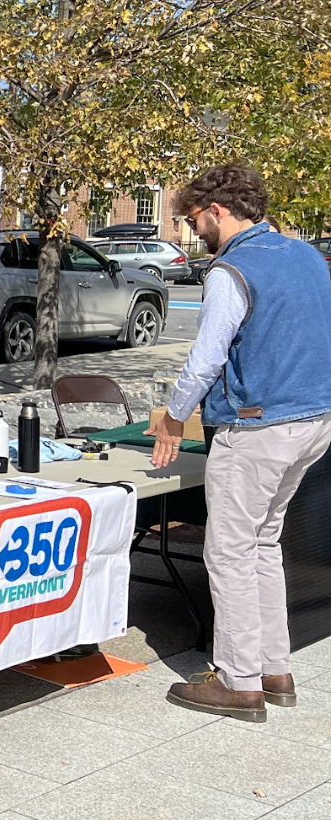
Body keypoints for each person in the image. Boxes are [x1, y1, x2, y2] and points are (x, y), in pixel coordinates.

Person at [152, 163, 331, 722]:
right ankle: (273, 669)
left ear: (218, 210)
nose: (193, 230)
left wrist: (174, 417)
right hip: (313, 420)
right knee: (263, 543)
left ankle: (238, 680)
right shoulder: (305, 255)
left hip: (257, 426)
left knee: (230, 551)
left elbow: (206, 357)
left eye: (193, 220)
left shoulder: (232, 270)